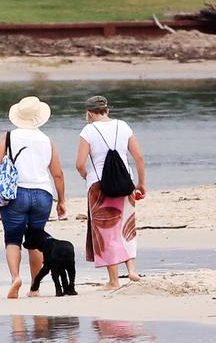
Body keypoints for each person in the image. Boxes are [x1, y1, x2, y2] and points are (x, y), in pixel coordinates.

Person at [0, 96, 67, 299]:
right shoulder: (47, 140)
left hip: (16, 194)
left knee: (13, 238)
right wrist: (61, 200)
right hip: (43, 194)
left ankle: (16, 278)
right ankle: (35, 288)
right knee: (36, 239)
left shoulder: (8, 137)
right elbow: (58, 173)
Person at [75, 95, 146, 291]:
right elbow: (139, 157)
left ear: (89, 113)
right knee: (126, 227)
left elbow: (80, 164)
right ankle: (132, 269)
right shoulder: (123, 126)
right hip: (125, 184)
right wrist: (141, 183)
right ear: (107, 110)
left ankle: (114, 280)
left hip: (99, 186)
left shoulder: (88, 130)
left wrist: (86, 176)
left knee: (106, 231)